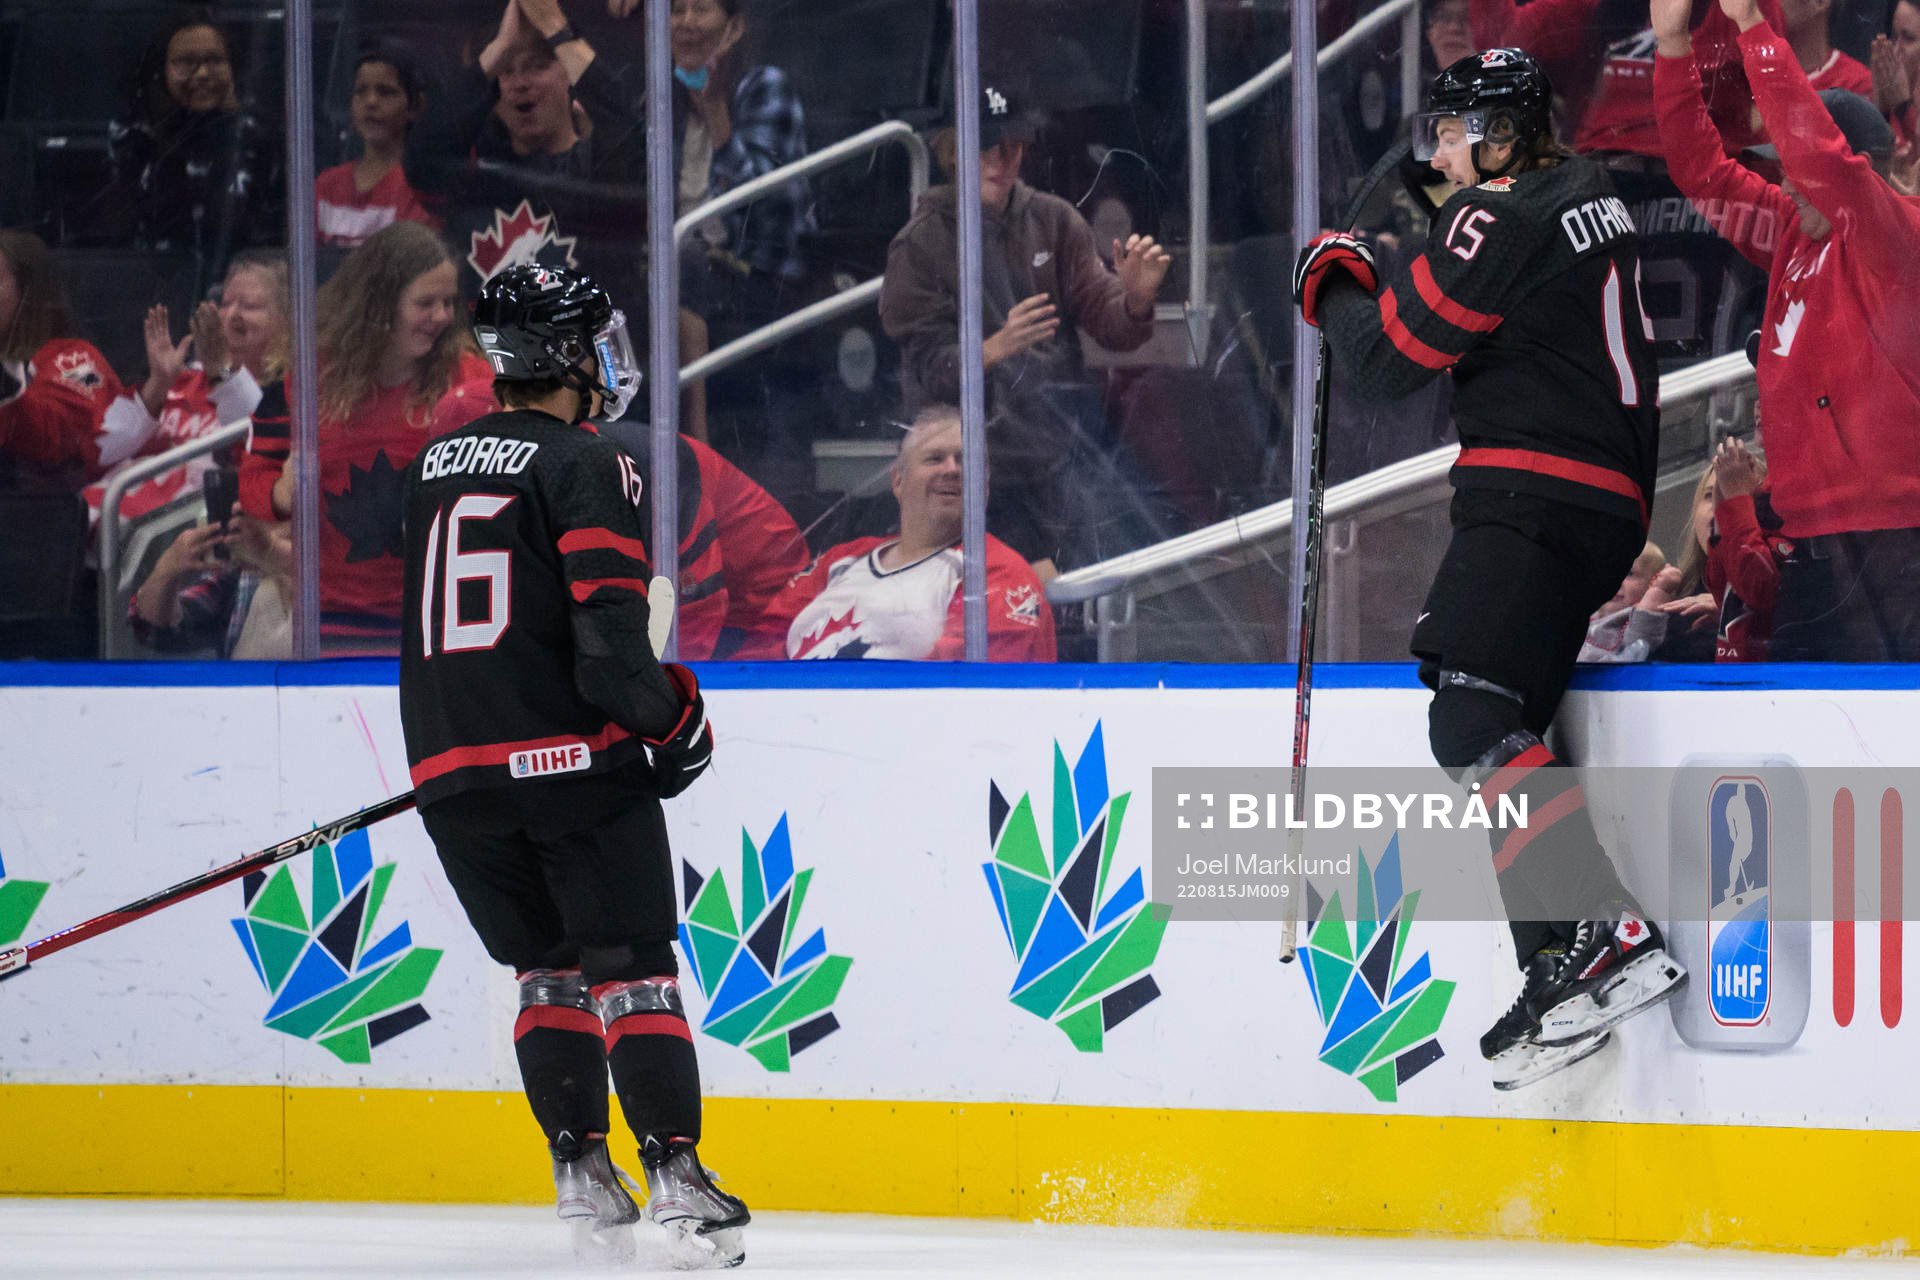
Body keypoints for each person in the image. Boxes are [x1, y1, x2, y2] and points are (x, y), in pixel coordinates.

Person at [1292, 48, 1684, 1091]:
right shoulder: (1590, 191)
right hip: (1598, 498)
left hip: (1533, 493)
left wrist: (1333, 279)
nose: (1442, 155)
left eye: (1454, 133)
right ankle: (1558, 963)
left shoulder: (1494, 216)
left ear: (1501, 135)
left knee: (1467, 720)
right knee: (1503, 721)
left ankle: (1602, 927)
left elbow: (1380, 363)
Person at [397, 264, 745, 1268]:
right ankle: (678, 1179)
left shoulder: (434, 463)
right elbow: (609, 650)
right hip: (575, 773)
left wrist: (469, 760)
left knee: (543, 967)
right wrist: (674, 715)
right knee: (629, 969)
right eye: (592, 338)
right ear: (559, 355)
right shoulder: (582, 460)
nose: (607, 360)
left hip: (452, 778)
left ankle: (582, 1176)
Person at [1654, 1, 1920, 660]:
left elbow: (1821, 156)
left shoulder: (1895, 236)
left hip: (1892, 530)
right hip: (1806, 531)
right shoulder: (1791, 229)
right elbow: (1704, 174)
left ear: (1855, 167)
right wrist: (1671, 49)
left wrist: (1751, 27)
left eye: (1800, 164)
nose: (1786, 178)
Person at [879, 85, 1172, 573]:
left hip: (1049, 463)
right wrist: (994, 348)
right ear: (952, 149)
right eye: (988, 147)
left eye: (1014, 146)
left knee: (1057, 608)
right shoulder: (919, 243)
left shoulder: (1055, 221)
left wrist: (1136, 300)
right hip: (962, 474)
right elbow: (926, 371)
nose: (1004, 160)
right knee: (968, 610)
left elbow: (1108, 318)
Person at [238, 223, 491, 654]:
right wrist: (280, 494)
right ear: (379, 304)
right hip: (331, 616)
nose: (443, 316)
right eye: (425, 303)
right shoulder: (303, 379)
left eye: (449, 303)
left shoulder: (470, 381)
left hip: (437, 619)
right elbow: (254, 479)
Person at [746, 406, 1057, 662]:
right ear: (897, 480)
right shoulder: (842, 560)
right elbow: (759, 650)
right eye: (935, 458)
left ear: (985, 488)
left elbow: (962, 692)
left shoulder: (995, 571)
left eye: (965, 460)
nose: (951, 469)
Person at [89, 252, 287, 525]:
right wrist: (157, 384)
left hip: (185, 538)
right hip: (104, 523)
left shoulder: (295, 392)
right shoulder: (181, 380)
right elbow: (100, 451)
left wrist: (223, 372)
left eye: (250, 306)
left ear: (289, 321)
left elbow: (268, 445)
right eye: (226, 303)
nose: (231, 315)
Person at [101, 13, 283, 293]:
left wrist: (229, 124)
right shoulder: (132, 135)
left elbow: (257, 229)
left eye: (214, 61)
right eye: (186, 62)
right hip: (153, 293)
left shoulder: (259, 135)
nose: (202, 74)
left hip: (242, 294)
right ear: (161, 69)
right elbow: (129, 229)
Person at [0, 230, 124, 494]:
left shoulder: (76, 360)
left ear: (28, 291)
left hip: (42, 520)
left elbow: (60, 439)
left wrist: (8, 391)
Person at [316, 47, 440, 248]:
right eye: (360, 91)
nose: (371, 102)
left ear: (415, 106)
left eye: (386, 92)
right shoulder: (326, 185)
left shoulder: (419, 188)